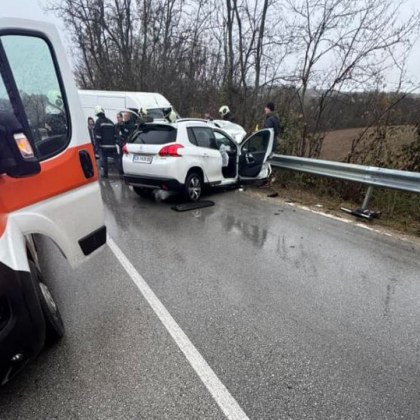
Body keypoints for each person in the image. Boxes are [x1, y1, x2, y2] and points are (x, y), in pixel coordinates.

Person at [93, 105, 119, 178]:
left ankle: (105, 174)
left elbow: (97, 136)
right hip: (112, 146)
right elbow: (115, 134)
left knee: (104, 161)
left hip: (103, 146)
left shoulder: (98, 122)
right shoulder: (110, 121)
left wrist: (97, 146)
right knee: (117, 161)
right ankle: (122, 173)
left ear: (97, 114)